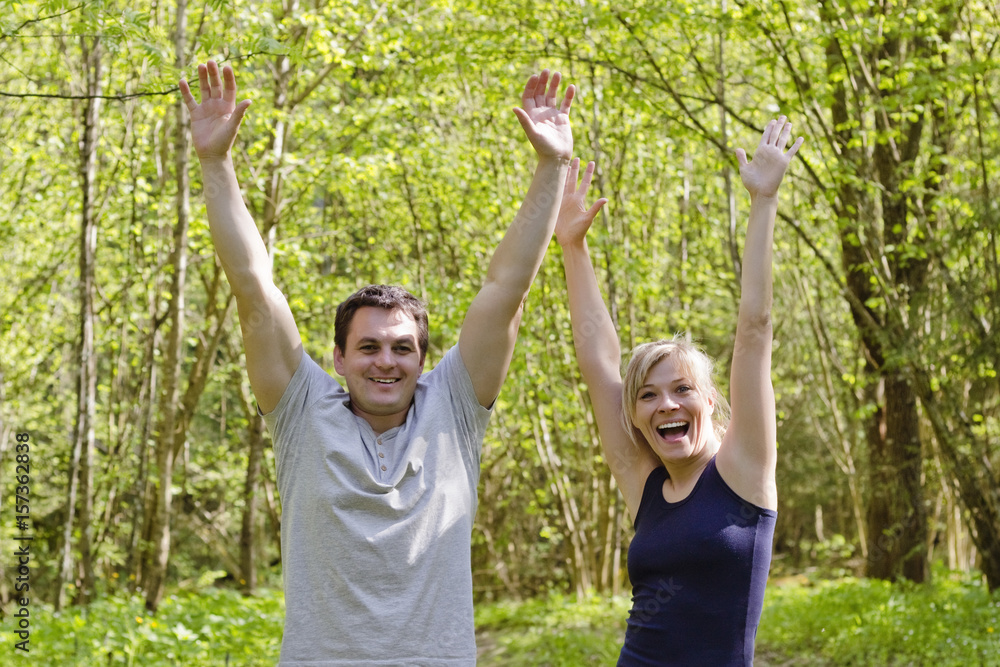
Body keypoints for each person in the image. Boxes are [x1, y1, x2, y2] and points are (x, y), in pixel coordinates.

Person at [178, 60, 575, 665]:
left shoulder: (454, 410)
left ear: (423, 358)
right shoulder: (302, 412)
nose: (385, 361)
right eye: (368, 347)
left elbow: (506, 288)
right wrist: (215, 163)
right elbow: (254, 289)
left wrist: (551, 165)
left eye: (401, 347)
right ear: (337, 357)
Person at [554, 118, 803, 666]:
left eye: (681, 390)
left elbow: (754, 332)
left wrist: (764, 201)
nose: (665, 404)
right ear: (637, 418)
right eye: (647, 396)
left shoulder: (743, 469)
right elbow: (600, 366)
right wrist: (573, 248)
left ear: (708, 403)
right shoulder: (643, 484)